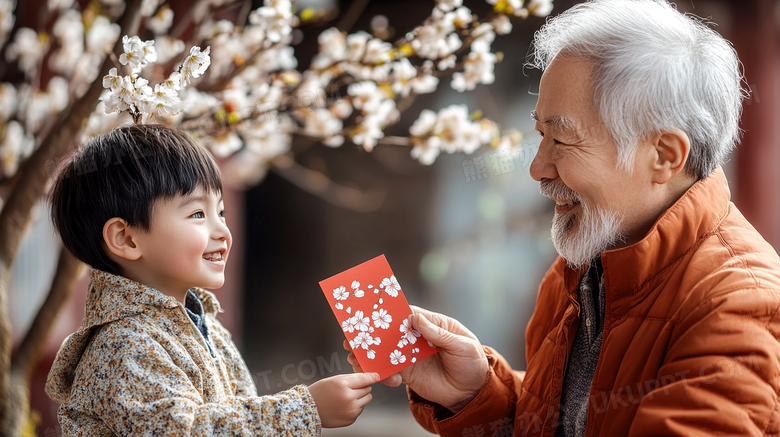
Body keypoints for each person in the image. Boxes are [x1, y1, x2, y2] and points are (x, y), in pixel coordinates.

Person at [346, 0, 780, 435]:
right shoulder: (583, 269)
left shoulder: (739, 307)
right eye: (540, 134)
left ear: (664, 155)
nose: (537, 168)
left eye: (563, 140)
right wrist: (474, 392)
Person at [45, 124, 378, 436]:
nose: (222, 231)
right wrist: (305, 409)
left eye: (221, 212)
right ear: (127, 239)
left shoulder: (205, 326)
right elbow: (186, 431)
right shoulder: (124, 345)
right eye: (197, 215)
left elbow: (235, 413)